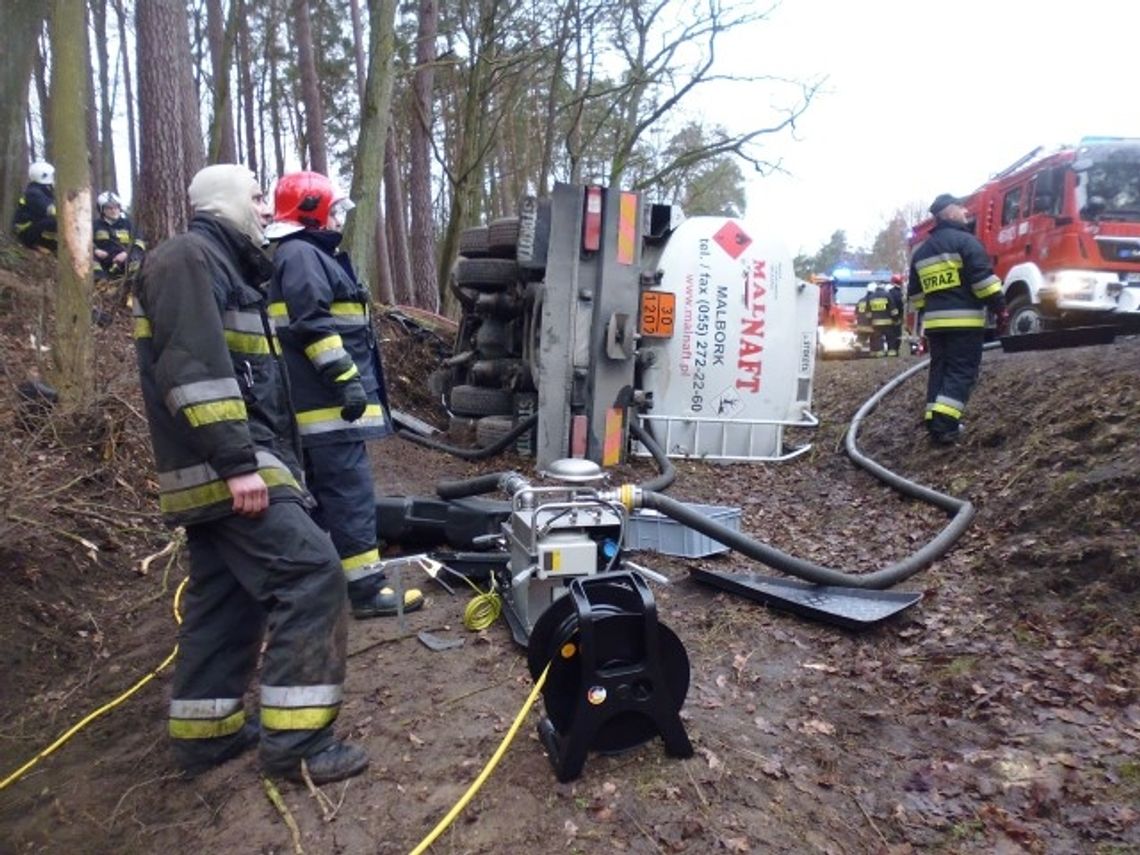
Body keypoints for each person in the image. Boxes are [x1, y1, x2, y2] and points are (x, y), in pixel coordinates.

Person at [132, 163, 368, 784]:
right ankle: (299, 748)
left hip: (228, 464)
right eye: (258, 197)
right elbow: (193, 372)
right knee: (314, 574)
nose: (267, 209)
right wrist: (240, 465)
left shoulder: (225, 265)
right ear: (225, 201)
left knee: (228, 598)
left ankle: (206, 734)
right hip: (229, 465)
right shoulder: (188, 259)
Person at [265, 170, 424, 619]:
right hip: (328, 408)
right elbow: (313, 324)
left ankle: (320, 584)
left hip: (317, 407)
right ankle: (368, 591)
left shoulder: (303, 255)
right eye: (334, 209)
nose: (339, 218)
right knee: (349, 495)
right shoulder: (302, 256)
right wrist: (345, 380)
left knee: (320, 497)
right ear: (311, 210)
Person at [908, 193, 1009, 444]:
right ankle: (945, 426)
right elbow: (984, 283)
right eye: (961, 208)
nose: (966, 212)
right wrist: (1000, 308)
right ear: (950, 212)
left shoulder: (921, 253)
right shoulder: (967, 243)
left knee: (939, 371)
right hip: (965, 324)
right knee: (962, 372)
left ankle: (934, 421)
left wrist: (930, 313)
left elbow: (916, 296)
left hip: (935, 326)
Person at [93, 191, 146, 279]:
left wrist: (126, 254)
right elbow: (86, 244)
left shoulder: (128, 224)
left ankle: (132, 284)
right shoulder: (95, 225)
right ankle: (100, 282)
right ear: (102, 210)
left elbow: (139, 242)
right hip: (104, 262)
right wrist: (95, 250)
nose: (113, 210)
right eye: (109, 208)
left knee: (136, 259)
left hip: (125, 260)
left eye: (116, 207)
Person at [12, 161, 58, 252]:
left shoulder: (40, 191)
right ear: (44, 176)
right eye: (52, 176)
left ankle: (52, 245)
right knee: (54, 222)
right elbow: (51, 210)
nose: (54, 179)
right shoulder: (34, 193)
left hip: (31, 228)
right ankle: (41, 244)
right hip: (25, 233)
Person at [867, 282, 895, 357]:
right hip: (888, 322)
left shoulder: (871, 297)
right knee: (890, 337)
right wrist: (895, 318)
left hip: (875, 322)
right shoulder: (887, 295)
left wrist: (870, 321)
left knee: (878, 338)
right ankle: (891, 351)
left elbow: (868, 313)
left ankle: (880, 351)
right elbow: (893, 309)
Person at [885, 275, 905, 356]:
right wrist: (899, 318)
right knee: (897, 335)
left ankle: (891, 350)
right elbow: (900, 306)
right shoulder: (899, 293)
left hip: (889, 317)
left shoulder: (889, 293)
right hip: (897, 318)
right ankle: (895, 351)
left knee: (890, 336)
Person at [854, 283, 875, 354]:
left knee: (860, 337)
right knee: (875, 337)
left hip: (860, 324)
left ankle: (857, 347)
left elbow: (856, 312)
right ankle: (874, 351)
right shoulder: (873, 301)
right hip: (870, 325)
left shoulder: (861, 300)